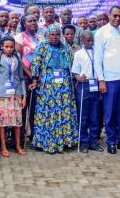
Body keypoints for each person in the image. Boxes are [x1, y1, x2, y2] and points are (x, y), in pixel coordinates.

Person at [29, 25, 77, 154]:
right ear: (47, 35)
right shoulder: (42, 46)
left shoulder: (65, 47)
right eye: (52, 35)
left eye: (57, 35)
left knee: (64, 110)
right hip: (48, 85)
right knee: (48, 111)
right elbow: (36, 64)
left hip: (65, 85)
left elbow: (73, 64)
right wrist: (34, 80)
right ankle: (47, 141)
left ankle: (64, 141)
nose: (55, 37)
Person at [95, 6, 120, 154]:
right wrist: (101, 80)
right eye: (115, 16)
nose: (118, 18)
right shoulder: (101, 33)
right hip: (110, 78)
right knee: (110, 111)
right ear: (109, 15)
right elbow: (97, 59)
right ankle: (111, 141)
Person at [0, 36, 27, 157]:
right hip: (1, 95)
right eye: (6, 46)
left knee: (17, 122)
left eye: (11, 47)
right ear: (2, 46)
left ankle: (17, 146)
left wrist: (24, 96)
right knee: (2, 123)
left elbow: (21, 78)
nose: (9, 49)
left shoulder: (17, 57)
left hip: (15, 94)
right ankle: (3, 147)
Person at [71, 30, 103, 153]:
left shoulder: (98, 52)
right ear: (82, 40)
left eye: (92, 40)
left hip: (96, 85)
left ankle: (93, 142)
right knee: (83, 115)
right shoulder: (79, 54)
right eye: (88, 40)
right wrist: (78, 77)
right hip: (84, 86)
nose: (90, 42)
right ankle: (83, 142)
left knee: (95, 115)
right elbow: (74, 72)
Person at [15, 15, 45, 144]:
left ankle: (35, 136)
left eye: (35, 20)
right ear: (24, 23)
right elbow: (19, 60)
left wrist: (38, 77)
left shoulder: (41, 38)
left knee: (36, 109)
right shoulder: (19, 37)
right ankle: (20, 139)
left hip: (39, 79)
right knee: (23, 108)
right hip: (25, 78)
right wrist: (32, 76)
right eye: (30, 21)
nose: (33, 22)